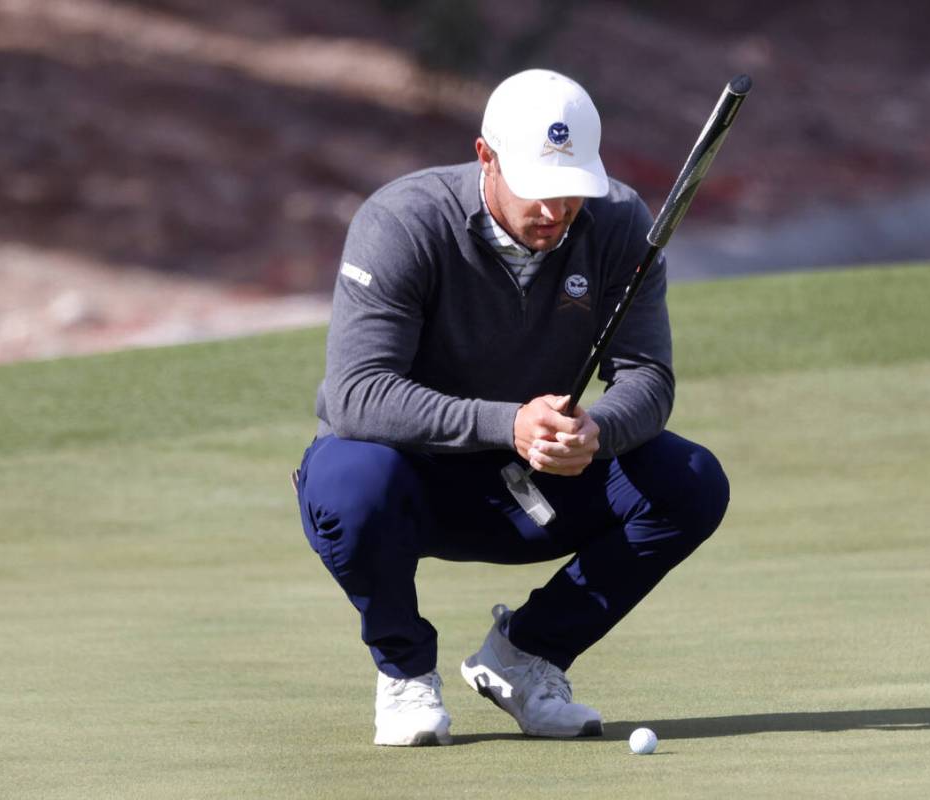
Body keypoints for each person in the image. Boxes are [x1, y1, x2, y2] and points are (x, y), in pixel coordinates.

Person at [294, 68, 730, 746]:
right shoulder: (403, 222)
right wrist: (508, 422)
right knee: (347, 481)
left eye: (572, 191)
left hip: (541, 487)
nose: (555, 211)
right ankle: (405, 671)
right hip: (413, 487)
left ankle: (525, 657)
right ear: (485, 159)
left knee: (690, 482)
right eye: (537, 187)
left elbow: (647, 377)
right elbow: (357, 394)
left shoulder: (617, 225)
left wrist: (598, 430)